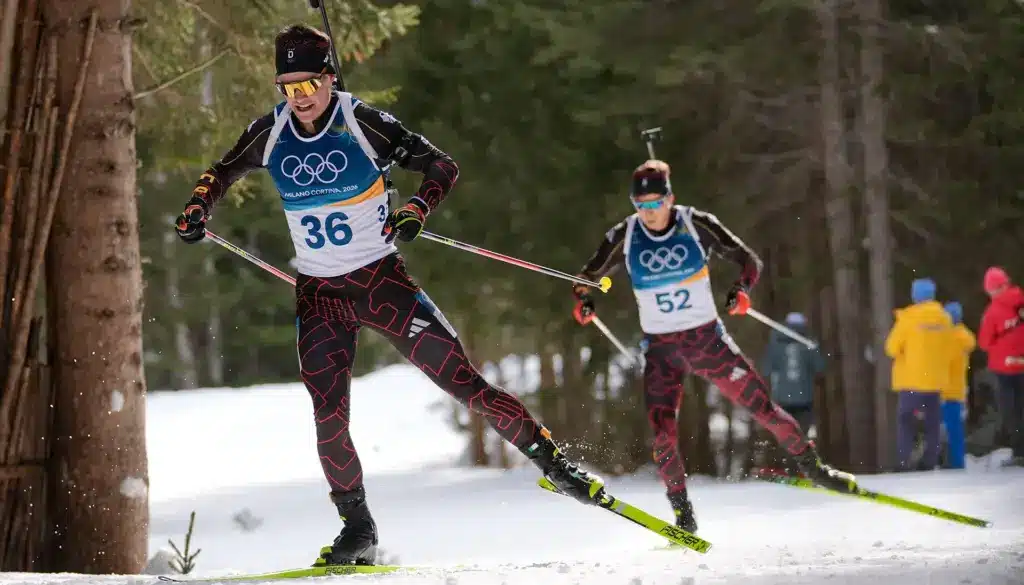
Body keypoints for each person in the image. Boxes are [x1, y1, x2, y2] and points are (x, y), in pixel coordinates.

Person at [174, 24, 605, 567]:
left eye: (308, 85)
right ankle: (358, 529)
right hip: (320, 297)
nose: (300, 99)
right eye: (288, 88)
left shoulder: (362, 121)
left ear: (329, 77)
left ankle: (556, 466)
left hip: (382, 285)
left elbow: (441, 165)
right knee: (329, 417)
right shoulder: (271, 131)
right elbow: (221, 171)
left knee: (463, 382)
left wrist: (417, 207)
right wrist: (197, 208)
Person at [569, 159, 854, 534]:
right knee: (662, 433)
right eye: (641, 205)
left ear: (670, 198)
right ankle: (682, 512)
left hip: (706, 340)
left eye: (656, 203)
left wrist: (740, 292)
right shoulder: (625, 233)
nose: (649, 213)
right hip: (661, 350)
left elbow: (748, 260)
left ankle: (814, 468)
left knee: (763, 407)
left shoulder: (695, 223)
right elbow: (584, 277)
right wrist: (585, 300)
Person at [884, 278, 953, 471]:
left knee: (906, 421)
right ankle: (930, 461)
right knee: (932, 422)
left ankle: (903, 461)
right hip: (935, 381)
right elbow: (950, 348)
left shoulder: (909, 318)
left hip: (912, 380)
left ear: (915, 295)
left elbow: (891, 348)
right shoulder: (945, 319)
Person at [978, 266, 1024, 466]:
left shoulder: (993, 311)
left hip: (1004, 369)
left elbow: (984, 342)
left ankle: (1020, 452)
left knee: (1011, 412)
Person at [759, 312, 824, 434]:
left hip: (782, 397)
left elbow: (766, 369)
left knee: (785, 434)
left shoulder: (776, 343)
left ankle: (787, 449)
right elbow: (820, 367)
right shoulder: (809, 343)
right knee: (802, 432)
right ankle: (805, 445)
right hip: (804, 398)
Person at [940, 301, 975, 470]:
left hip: (945, 390)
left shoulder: (948, 338)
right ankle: (956, 460)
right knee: (956, 429)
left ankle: (953, 462)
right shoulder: (964, 336)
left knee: (947, 428)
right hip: (959, 389)